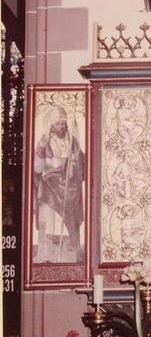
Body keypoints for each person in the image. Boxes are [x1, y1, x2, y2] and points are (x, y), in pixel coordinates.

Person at [34, 105, 84, 263]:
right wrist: (59, 162)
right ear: (51, 125)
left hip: (70, 186)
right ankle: (48, 252)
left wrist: (74, 162)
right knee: (49, 219)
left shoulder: (72, 141)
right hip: (50, 185)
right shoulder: (45, 141)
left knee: (70, 217)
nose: (61, 127)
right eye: (57, 124)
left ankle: (70, 250)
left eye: (63, 123)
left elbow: (81, 163)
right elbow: (38, 167)